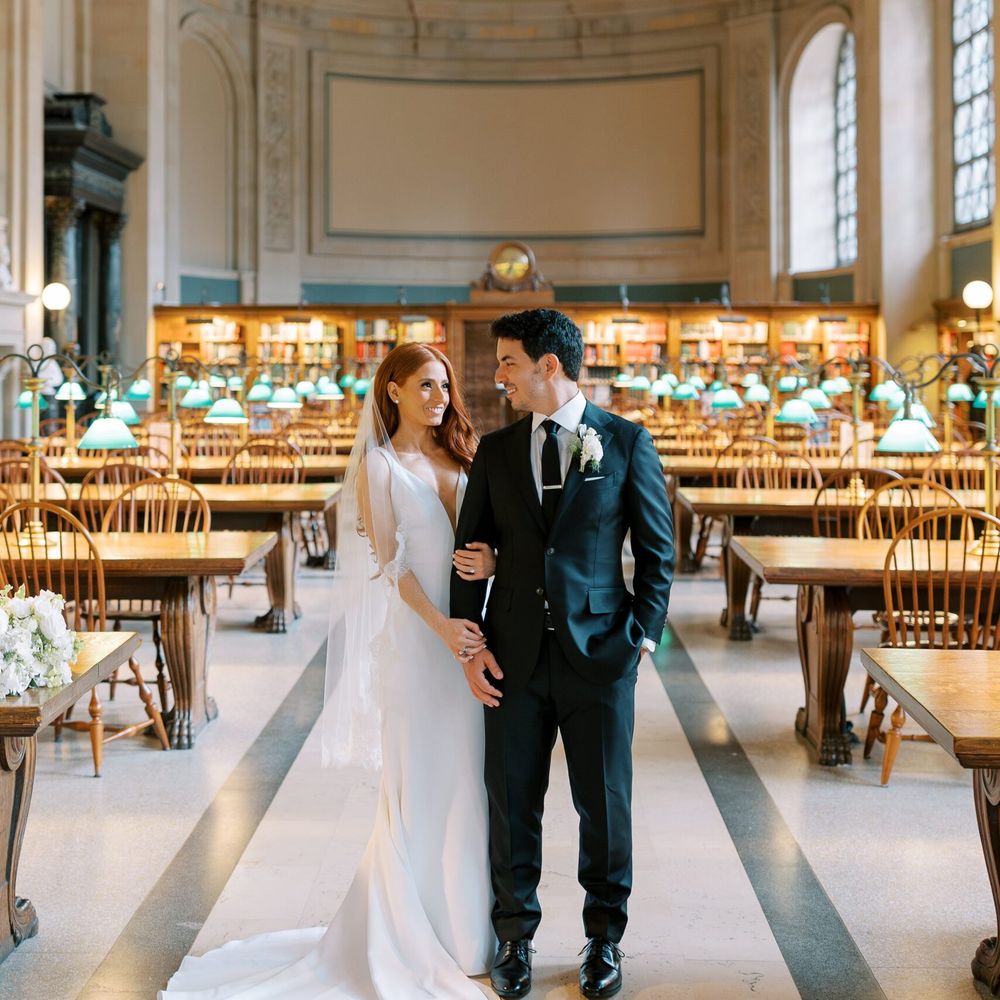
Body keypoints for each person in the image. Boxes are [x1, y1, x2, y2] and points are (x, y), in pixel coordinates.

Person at [161, 342, 498, 999]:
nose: (439, 398)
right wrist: (444, 629)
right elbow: (392, 570)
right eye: (426, 386)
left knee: (471, 780)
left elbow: (491, 536)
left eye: (444, 386)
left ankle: (469, 931)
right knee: (423, 780)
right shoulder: (378, 466)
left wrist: (490, 571)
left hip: (477, 632)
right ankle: (416, 930)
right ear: (392, 389)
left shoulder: (463, 452)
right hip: (423, 639)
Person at [450, 309, 674, 1000]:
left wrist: (641, 637)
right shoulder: (496, 450)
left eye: (509, 362)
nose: (499, 376)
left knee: (604, 803)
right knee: (513, 801)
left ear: (550, 366)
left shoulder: (627, 442)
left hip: (601, 655)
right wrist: (469, 646)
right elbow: (467, 558)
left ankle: (604, 938)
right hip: (512, 654)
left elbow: (658, 557)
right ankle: (514, 937)